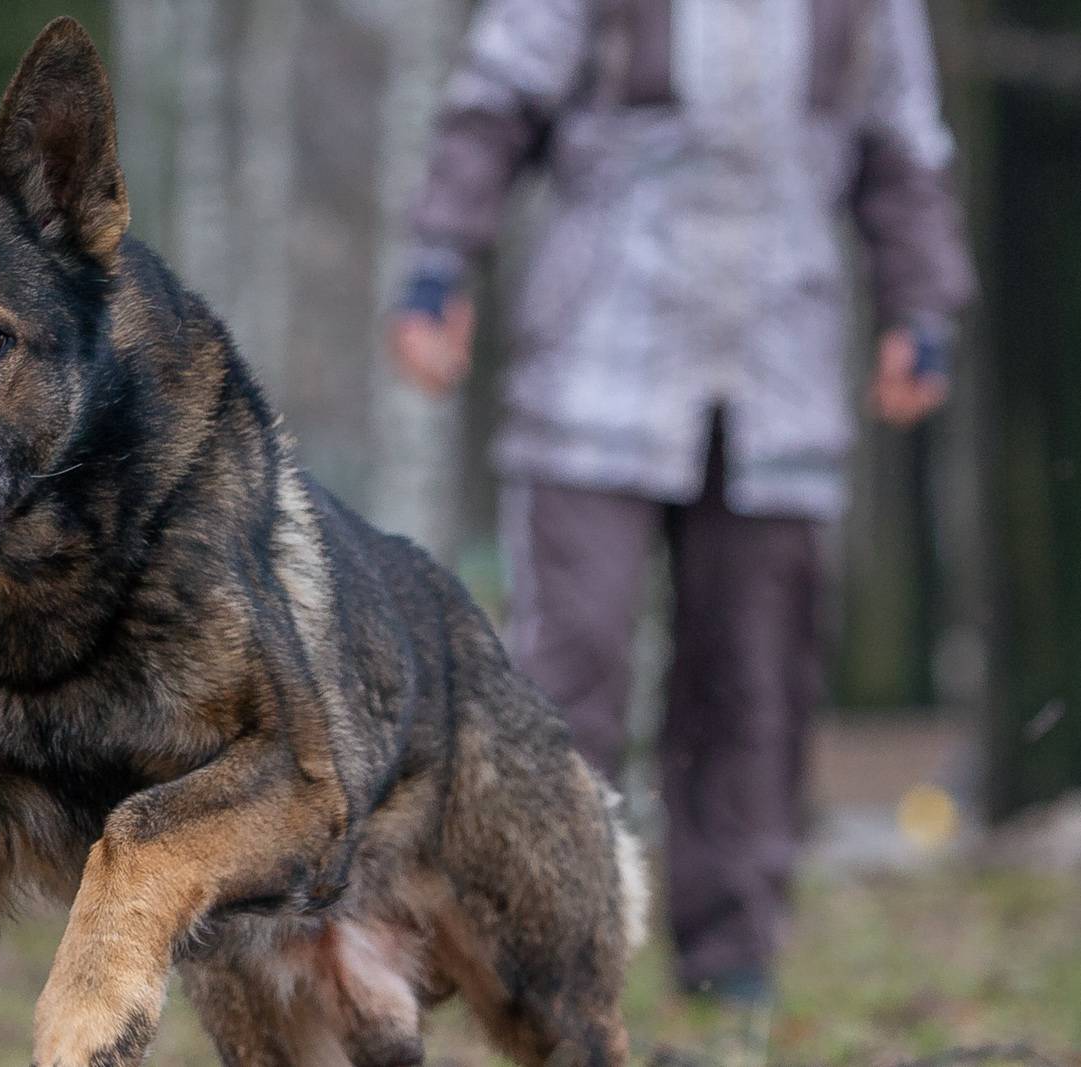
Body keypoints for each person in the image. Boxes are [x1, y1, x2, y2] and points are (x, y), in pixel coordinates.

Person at [389, 0, 974, 1006]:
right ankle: (543, 946)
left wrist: (918, 306)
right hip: (598, 352)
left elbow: (901, 147)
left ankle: (731, 953)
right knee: (571, 662)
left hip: (777, 360)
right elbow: (494, 104)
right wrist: (441, 261)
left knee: (753, 673)